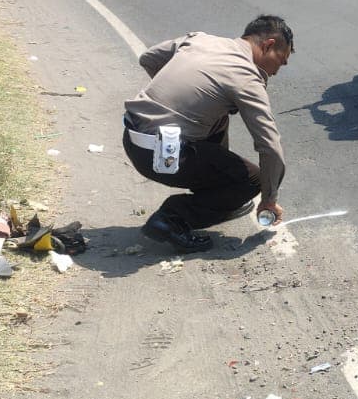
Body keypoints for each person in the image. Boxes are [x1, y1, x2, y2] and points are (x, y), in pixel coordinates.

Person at [123, 16, 293, 253]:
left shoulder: (201, 40)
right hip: (162, 156)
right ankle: (172, 218)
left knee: (219, 117)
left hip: (132, 136)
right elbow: (270, 147)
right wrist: (269, 199)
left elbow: (149, 58)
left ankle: (212, 194)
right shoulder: (245, 76)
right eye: (281, 60)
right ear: (268, 45)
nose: (277, 70)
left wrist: (179, 101)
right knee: (251, 180)